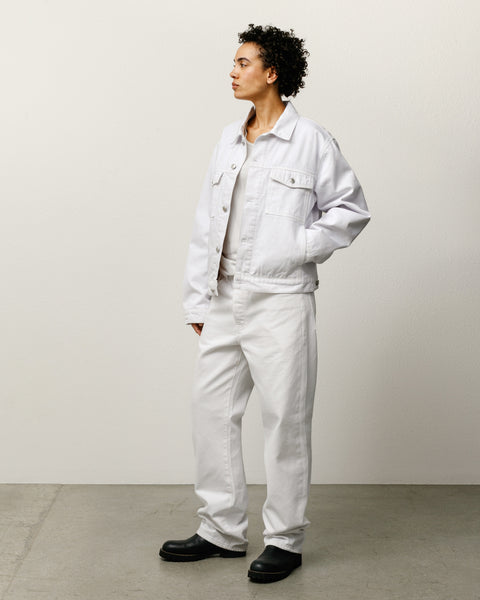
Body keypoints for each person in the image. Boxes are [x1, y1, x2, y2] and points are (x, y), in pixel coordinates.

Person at [159, 24, 370, 583]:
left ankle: (285, 539)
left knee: (285, 420)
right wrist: (197, 300)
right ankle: (221, 529)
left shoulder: (311, 140)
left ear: (272, 72)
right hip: (225, 296)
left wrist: (297, 247)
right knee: (210, 411)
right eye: (234, 62)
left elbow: (350, 209)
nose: (232, 71)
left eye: (243, 62)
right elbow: (205, 224)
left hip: (281, 300)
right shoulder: (228, 140)